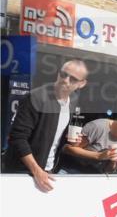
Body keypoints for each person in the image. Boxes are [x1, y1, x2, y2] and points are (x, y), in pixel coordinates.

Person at [4, 59, 89, 192]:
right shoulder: (36, 98)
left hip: (49, 171)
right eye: (63, 74)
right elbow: (18, 138)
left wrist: (70, 140)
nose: (66, 80)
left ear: (81, 84)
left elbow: (52, 134)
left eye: (73, 79)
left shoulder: (72, 101)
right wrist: (37, 171)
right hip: (23, 173)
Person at [60, 103, 117, 174]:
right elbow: (67, 149)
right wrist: (99, 155)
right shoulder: (99, 126)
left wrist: (113, 162)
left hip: (96, 179)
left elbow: (108, 170)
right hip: (71, 173)